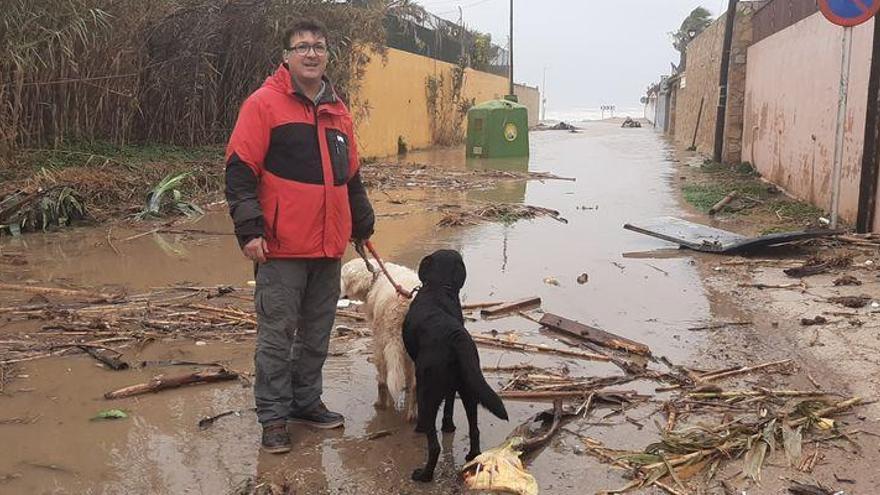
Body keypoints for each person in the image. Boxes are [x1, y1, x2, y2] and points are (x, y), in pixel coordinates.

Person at [224, 18, 374, 454]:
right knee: (276, 336)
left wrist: (361, 226)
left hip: (328, 248)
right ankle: (273, 418)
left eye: (319, 47)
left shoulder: (338, 110)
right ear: (286, 56)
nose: (312, 53)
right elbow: (239, 171)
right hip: (281, 248)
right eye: (302, 46)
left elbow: (352, 177)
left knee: (317, 334)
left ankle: (306, 403)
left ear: (328, 55)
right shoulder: (263, 104)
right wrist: (249, 230)